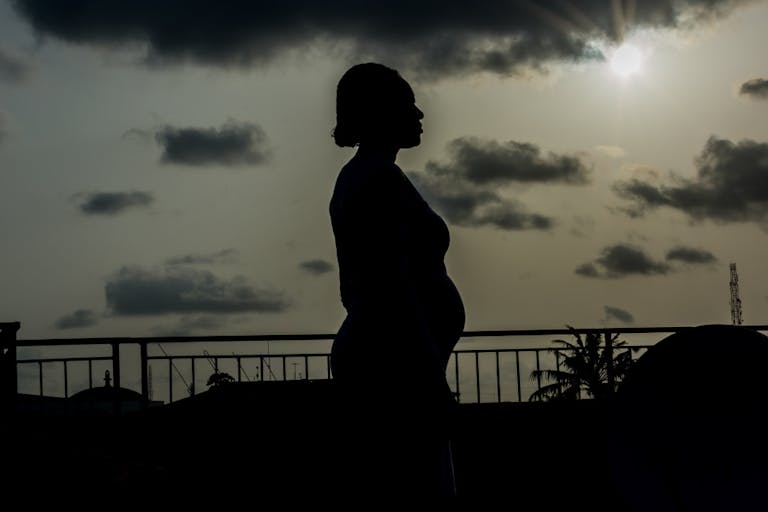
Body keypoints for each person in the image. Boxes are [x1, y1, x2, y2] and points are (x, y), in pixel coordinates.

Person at [328, 62, 466, 496]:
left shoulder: (370, 175)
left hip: (395, 360)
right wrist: (430, 378)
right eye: (408, 104)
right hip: (394, 365)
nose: (420, 114)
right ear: (380, 112)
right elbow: (391, 289)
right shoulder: (375, 179)